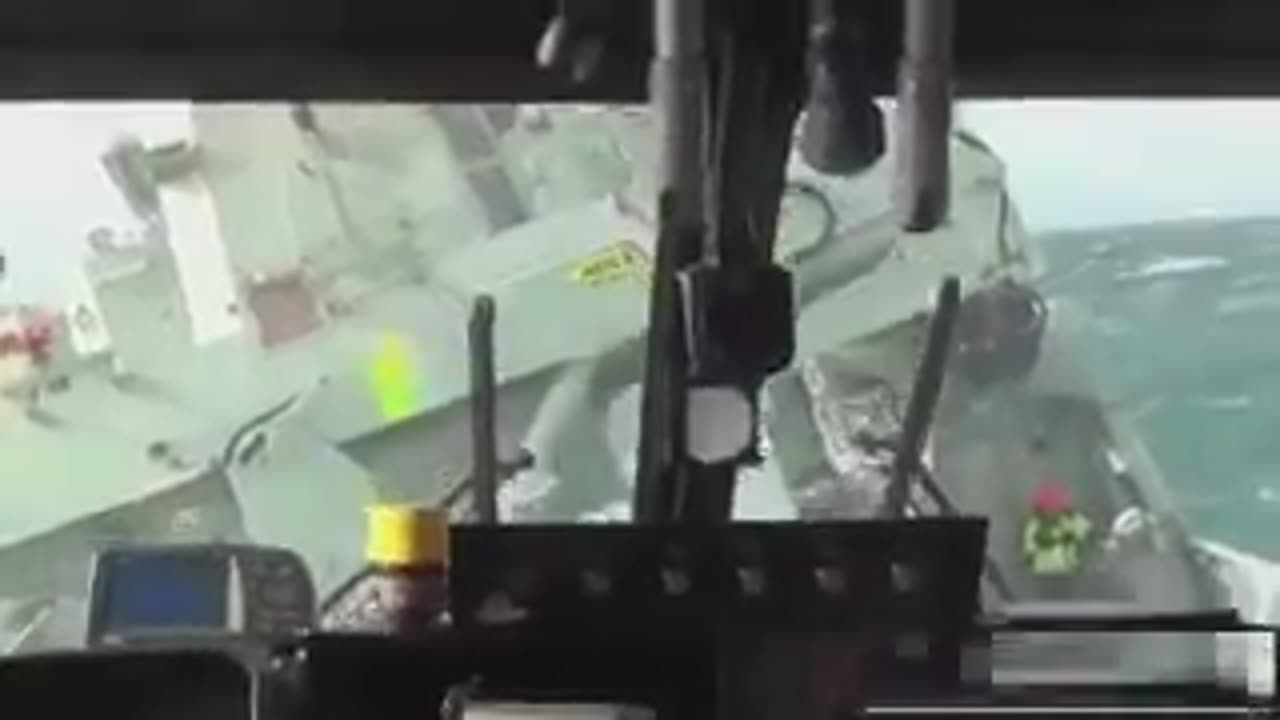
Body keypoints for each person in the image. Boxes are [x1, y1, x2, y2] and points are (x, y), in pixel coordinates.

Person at [1022, 480, 1092, 593]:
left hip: (1068, 573)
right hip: (1045, 574)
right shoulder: (1035, 526)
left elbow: (1086, 531)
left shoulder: (1071, 521)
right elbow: (1029, 551)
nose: (1053, 513)